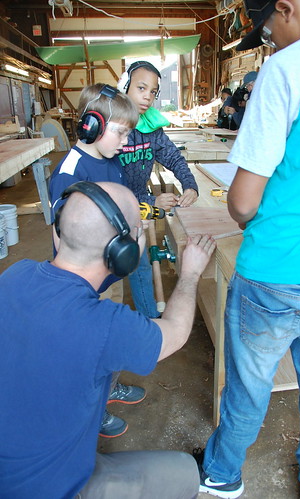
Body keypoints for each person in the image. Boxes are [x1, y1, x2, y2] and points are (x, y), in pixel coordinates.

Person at [0, 180, 216, 499]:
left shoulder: (15, 274)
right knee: (185, 472)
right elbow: (176, 330)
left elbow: (78, 286)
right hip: (50, 489)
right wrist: (190, 274)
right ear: (123, 254)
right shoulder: (109, 327)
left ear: (57, 232)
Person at [194, 1, 300, 498]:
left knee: (249, 387)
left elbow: (243, 203)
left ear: (285, 9)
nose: (270, 41)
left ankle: (223, 475)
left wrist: (249, 207)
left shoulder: (288, 68)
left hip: (275, 272)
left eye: (269, 31)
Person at [49, 83, 145, 440]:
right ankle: (93, 410)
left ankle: (109, 388)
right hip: (83, 284)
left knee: (109, 339)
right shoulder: (70, 171)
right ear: (92, 125)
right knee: (86, 349)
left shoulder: (111, 160)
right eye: (121, 132)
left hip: (110, 276)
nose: (125, 141)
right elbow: (63, 236)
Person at [117, 60, 199, 319]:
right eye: (141, 88)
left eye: (153, 91)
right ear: (125, 86)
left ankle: (150, 321)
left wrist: (190, 184)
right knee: (105, 273)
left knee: (139, 264)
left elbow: (173, 156)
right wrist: (151, 202)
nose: (147, 97)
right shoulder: (112, 126)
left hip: (137, 208)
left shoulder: (151, 127)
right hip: (111, 208)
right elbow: (110, 186)